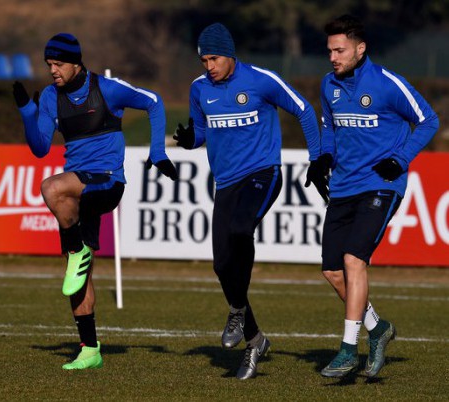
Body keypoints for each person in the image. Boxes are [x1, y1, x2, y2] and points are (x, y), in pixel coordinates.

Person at [13, 33, 177, 370]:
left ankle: (78, 251)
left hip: (107, 182)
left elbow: (154, 101)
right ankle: (90, 349)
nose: (53, 70)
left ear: (76, 63)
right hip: (78, 189)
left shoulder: (107, 89)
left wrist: (158, 152)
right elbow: (40, 148)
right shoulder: (50, 96)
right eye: (49, 64)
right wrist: (28, 112)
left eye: (59, 64)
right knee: (78, 277)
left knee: (51, 188)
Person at [174, 23, 322, 379]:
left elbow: (304, 110)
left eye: (214, 58)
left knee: (241, 229)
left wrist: (317, 159)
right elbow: (201, 132)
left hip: (263, 173)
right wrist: (190, 140)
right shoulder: (199, 88)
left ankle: (237, 310)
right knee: (221, 265)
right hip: (225, 183)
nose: (209, 66)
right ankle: (254, 339)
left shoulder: (261, 80)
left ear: (230, 54)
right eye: (204, 60)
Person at [308, 14, 439, 378]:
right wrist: (323, 158)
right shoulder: (328, 84)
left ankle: (348, 350)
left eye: (340, 50)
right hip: (343, 186)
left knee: (354, 260)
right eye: (329, 50)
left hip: (381, 185)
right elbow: (329, 128)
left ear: (360, 49)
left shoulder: (387, 84)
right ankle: (378, 328)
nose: (333, 57)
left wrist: (400, 159)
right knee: (332, 271)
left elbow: (428, 120)